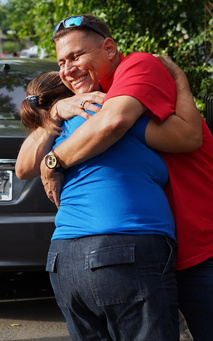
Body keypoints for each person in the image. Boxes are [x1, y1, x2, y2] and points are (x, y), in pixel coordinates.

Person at [17, 14, 213, 341]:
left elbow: (121, 125)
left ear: (109, 49)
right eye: (61, 61)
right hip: (154, 245)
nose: (68, 68)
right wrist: (56, 113)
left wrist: (53, 161)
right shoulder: (83, 108)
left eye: (77, 56)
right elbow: (22, 166)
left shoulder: (136, 67)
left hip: (207, 238)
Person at [18, 70, 196, 339]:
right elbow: (189, 138)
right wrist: (180, 81)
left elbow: (22, 168)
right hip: (126, 251)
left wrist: (53, 115)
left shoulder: (53, 134)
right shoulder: (107, 113)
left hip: (64, 260)